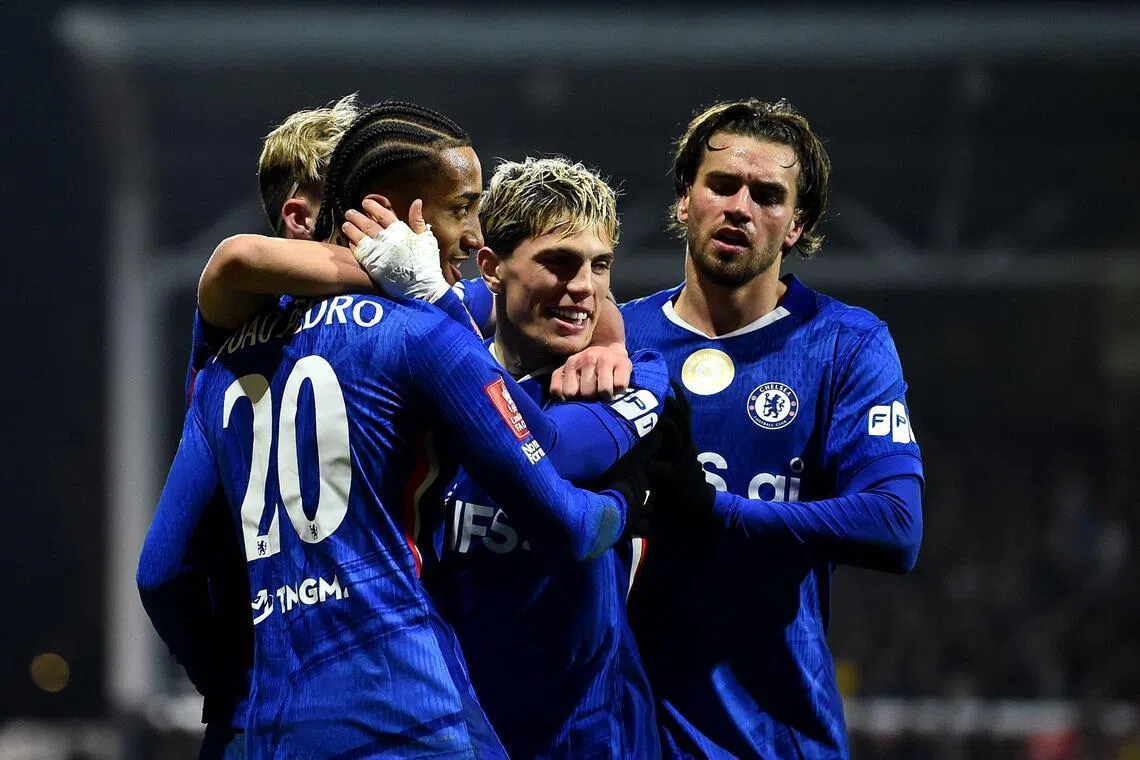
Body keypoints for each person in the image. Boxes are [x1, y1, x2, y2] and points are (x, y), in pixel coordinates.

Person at [137, 102, 656, 757]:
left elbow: (161, 572)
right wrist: (626, 500)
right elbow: (562, 504)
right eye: (463, 208)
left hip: (262, 719)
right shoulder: (424, 331)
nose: (475, 235)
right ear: (386, 211)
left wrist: (224, 683)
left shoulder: (222, 364)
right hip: (410, 709)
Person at [619, 98, 925, 759]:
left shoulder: (845, 344)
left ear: (796, 225)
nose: (740, 207)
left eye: (767, 195)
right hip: (623, 733)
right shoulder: (614, 336)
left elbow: (896, 524)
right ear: (684, 200)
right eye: (722, 185)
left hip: (772, 737)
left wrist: (713, 510)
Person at [345, 156, 666, 757]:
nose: (584, 288)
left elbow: (550, 450)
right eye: (558, 262)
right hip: (450, 733)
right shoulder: (420, 379)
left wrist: (435, 303)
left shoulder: (634, 377)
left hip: (593, 740)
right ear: (491, 267)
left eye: (601, 267)